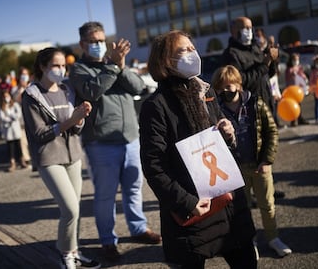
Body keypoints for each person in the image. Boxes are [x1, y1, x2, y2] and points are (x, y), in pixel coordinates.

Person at [139, 30, 257, 269]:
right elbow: (154, 166)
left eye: (193, 48)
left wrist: (229, 134)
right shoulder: (156, 106)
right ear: (165, 61)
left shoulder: (207, 91)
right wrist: (186, 202)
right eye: (184, 50)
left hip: (229, 201)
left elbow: (223, 145)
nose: (193, 54)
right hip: (193, 206)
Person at [68, 21, 161, 262]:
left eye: (101, 40)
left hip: (130, 138)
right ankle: (108, 240)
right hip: (101, 143)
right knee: (105, 195)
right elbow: (92, 92)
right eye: (93, 41)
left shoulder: (115, 65)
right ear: (82, 44)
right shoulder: (79, 69)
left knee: (133, 189)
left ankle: (138, 228)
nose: (99, 45)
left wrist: (121, 66)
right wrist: (112, 66)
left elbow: (139, 87)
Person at [21, 47, 101, 269]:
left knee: (75, 208)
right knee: (70, 210)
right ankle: (65, 253)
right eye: (55, 65)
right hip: (49, 158)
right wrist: (71, 120)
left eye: (63, 65)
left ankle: (74, 251)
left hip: (73, 155)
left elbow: (75, 130)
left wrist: (80, 117)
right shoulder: (31, 95)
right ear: (43, 67)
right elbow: (39, 135)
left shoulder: (67, 90)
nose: (60, 69)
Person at [212, 65, 292, 258]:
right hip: (236, 170)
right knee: (243, 209)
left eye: (228, 86)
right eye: (220, 88)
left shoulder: (256, 104)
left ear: (238, 85)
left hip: (259, 167)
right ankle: (251, 242)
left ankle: (273, 238)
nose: (224, 91)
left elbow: (271, 131)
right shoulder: (217, 110)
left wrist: (266, 160)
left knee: (267, 204)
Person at [221, 17, 279, 120]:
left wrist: (272, 60)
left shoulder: (255, 48)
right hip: (250, 110)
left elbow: (268, 74)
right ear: (233, 30)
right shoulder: (231, 53)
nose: (248, 31)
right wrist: (264, 65)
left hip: (267, 104)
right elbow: (240, 81)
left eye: (250, 28)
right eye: (245, 28)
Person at [254, 28, 282, 127]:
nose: (258, 38)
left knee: (273, 103)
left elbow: (272, 70)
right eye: (256, 36)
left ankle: (275, 121)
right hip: (258, 86)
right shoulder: (254, 51)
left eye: (260, 35)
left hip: (268, 83)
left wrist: (272, 58)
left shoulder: (268, 49)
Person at [0, 90, 28, 172]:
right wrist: (9, 119)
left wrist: (12, 116)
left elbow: (18, 114)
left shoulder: (14, 104)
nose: (6, 98)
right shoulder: (2, 106)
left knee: (19, 145)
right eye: (4, 97)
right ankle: (12, 162)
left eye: (7, 96)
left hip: (15, 127)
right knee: (10, 147)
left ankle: (22, 161)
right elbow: (2, 117)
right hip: (8, 129)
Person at [11, 66, 32, 165]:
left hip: (32, 116)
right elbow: (16, 100)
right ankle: (26, 157)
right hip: (21, 118)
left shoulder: (32, 86)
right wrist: (21, 88)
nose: (24, 77)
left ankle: (33, 155)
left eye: (26, 74)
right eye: (22, 74)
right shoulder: (15, 89)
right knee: (23, 140)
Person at [285, 53, 309, 126]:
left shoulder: (299, 68)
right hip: (291, 90)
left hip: (298, 90)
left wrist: (305, 79)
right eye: (294, 60)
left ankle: (300, 118)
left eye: (297, 59)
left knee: (299, 105)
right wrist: (293, 73)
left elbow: (302, 75)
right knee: (292, 105)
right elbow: (288, 77)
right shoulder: (289, 69)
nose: (296, 61)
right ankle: (293, 120)